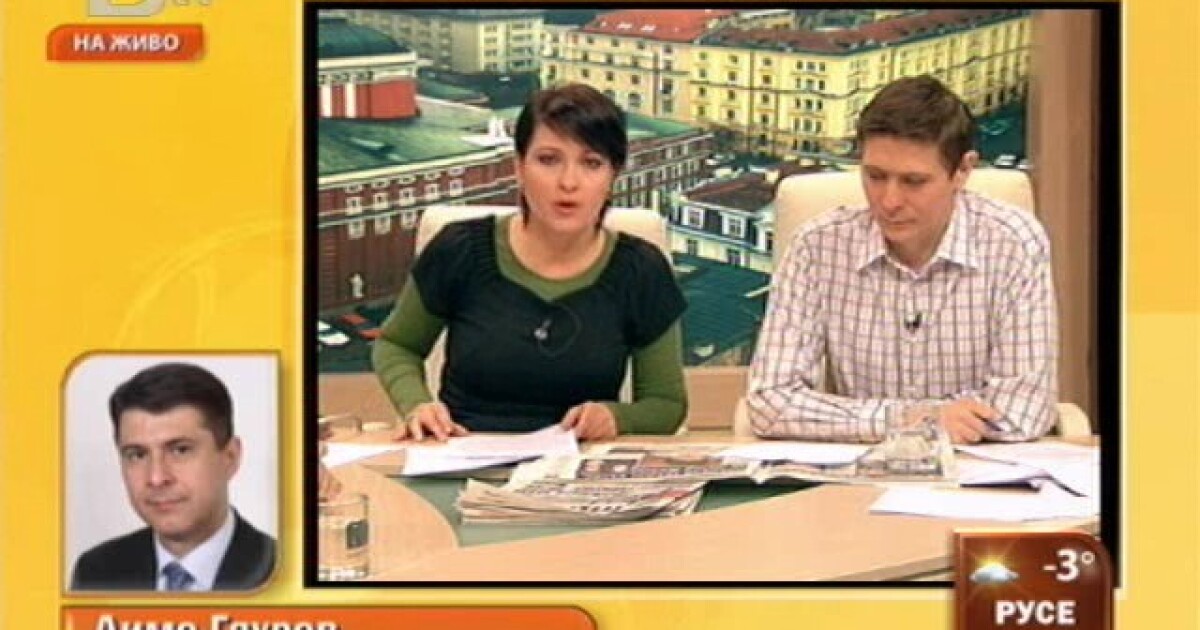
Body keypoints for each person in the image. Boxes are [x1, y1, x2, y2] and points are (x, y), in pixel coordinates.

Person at [747, 75, 1058, 444]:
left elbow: (1024, 410)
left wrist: (917, 422)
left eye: (913, 181)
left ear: (962, 170)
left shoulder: (1014, 243)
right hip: (861, 468)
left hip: (976, 466)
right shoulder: (816, 247)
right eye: (876, 176)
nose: (889, 201)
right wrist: (911, 420)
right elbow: (771, 402)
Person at [373, 83, 687, 441]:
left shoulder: (641, 270)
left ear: (612, 176)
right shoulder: (459, 250)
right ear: (519, 168)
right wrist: (418, 405)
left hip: (578, 461)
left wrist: (616, 418)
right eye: (548, 160)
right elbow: (397, 345)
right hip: (464, 449)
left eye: (591, 163)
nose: (568, 182)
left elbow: (666, 405)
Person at [71, 363, 275, 591]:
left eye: (180, 450)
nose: (156, 478)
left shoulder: (285, 571)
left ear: (230, 457)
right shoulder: (96, 572)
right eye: (137, 454)